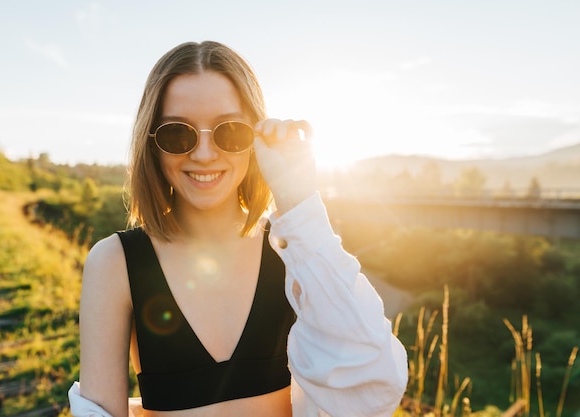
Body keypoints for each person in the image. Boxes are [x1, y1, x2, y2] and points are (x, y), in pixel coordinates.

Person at [68, 40, 408, 417]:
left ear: (255, 138)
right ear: (152, 145)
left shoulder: (290, 251)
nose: (204, 153)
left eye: (229, 131)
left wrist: (299, 204)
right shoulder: (116, 263)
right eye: (178, 133)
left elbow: (376, 387)